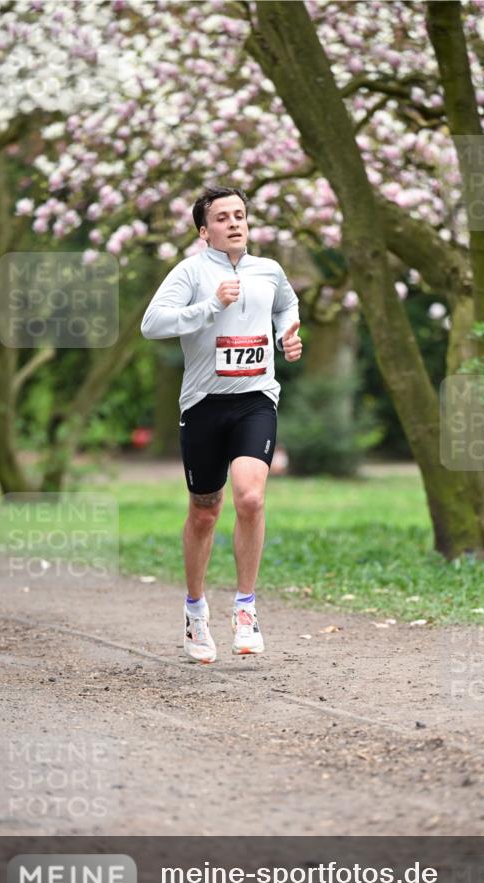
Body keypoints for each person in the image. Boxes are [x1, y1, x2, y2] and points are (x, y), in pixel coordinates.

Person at [141, 186, 302, 663]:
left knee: (250, 497)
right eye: (223, 217)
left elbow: (285, 306)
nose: (234, 223)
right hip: (204, 405)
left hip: (256, 399)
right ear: (203, 230)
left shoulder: (268, 270)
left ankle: (246, 608)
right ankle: (195, 610)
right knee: (205, 510)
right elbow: (152, 324)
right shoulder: (190, 273)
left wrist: (286, 334)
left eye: (240, 215)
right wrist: (209, 306)